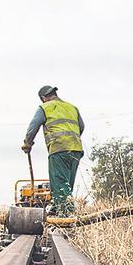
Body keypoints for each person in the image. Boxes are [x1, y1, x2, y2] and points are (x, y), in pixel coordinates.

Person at [22, 85, 85, 215]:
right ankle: (58, 209)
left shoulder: (45, 107)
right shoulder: (72, 108)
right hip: (76, 149)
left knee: (60, 184)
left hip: (59, 149)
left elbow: (33, 127)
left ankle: (67, 215)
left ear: (43, 98)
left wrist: (28, 143)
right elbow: (81, 126)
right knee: (67, 184)